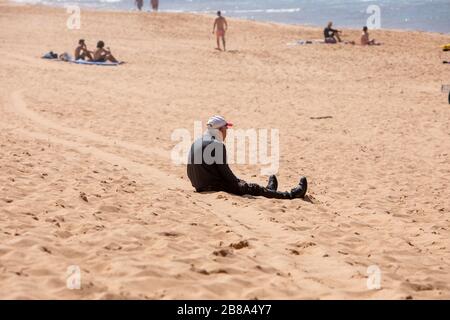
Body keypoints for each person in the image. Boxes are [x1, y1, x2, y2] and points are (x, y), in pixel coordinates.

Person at [187, 116, 308, 200]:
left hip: (199, 185)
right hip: (211, 186)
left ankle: (269, 191)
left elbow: (190, 171)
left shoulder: (197, 141)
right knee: (251, 188)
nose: (227, 132)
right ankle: (291, 195)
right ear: (219, 129)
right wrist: (240, 185)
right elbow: (227, 174)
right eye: (226, 128)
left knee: (247, 186)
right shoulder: (217, 145)